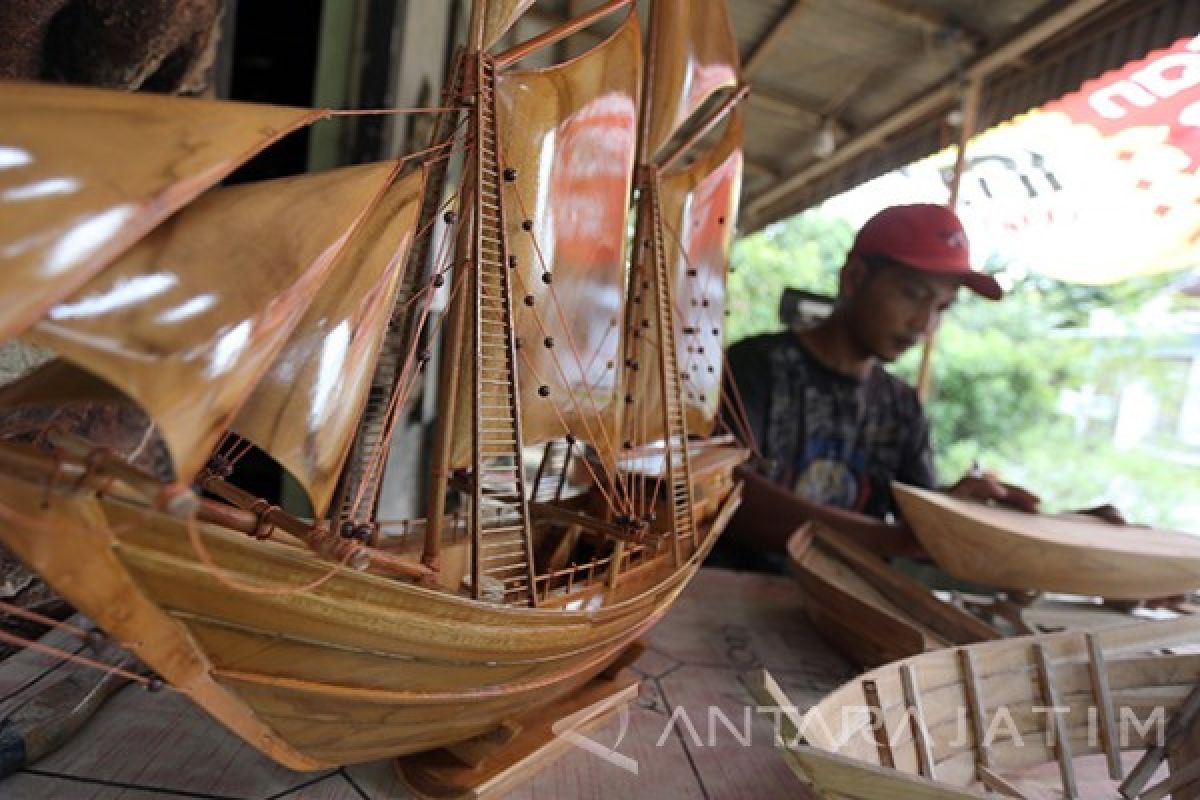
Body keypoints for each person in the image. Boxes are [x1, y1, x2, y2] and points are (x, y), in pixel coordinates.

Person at [715, 203, 1041, 570]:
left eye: (942, 307)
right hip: (735, 601)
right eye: (913, 294)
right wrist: (896, 540)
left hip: (835, 606)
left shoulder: (900, 405)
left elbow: (919, 518)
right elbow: (725, 494)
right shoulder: (755, 367)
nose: (924, 323)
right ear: (854, 278)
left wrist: (1045, 525)